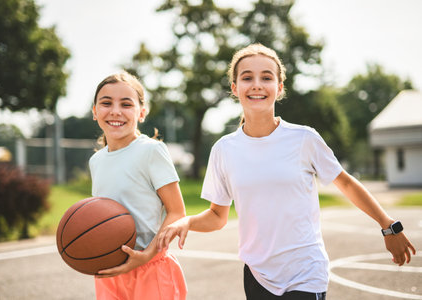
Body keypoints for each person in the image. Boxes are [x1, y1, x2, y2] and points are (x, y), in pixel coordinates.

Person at [157, 43, 416, 299]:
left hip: (305, 272)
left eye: (266, 77)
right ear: (235, 88)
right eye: (247, 77)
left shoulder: (304, 139)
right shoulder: (224, 150)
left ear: (279, 88)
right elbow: (217, 216)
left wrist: (388, 225)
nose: (257, 84)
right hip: (258, 275)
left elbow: (346, 184)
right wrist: (187, 221)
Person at [89, 71, 187, 300]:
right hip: (110, 271)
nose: (115, 111)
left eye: (126, 104)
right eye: (106, 103)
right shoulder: (96, 161)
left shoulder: (151, 151)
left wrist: (148, 254)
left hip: (149, 266)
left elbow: (177, 212)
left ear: (141, 113)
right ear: (95, 112)